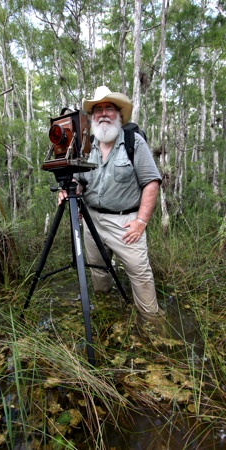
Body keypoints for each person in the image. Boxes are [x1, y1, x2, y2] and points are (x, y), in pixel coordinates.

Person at [58, 86, 163, 322]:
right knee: (97, 268)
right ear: (92, 117)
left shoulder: (133, 142)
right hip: (92, 218)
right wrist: (69, 190)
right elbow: (81, 180)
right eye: (97, 110)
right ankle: (105, 310)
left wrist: (141, 222)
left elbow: (151, 182)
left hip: (126, 222)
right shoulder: (86, 145)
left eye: (108, 108)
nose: (103, 114)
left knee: (139, 272)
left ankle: (153, 322)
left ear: (119, 114)